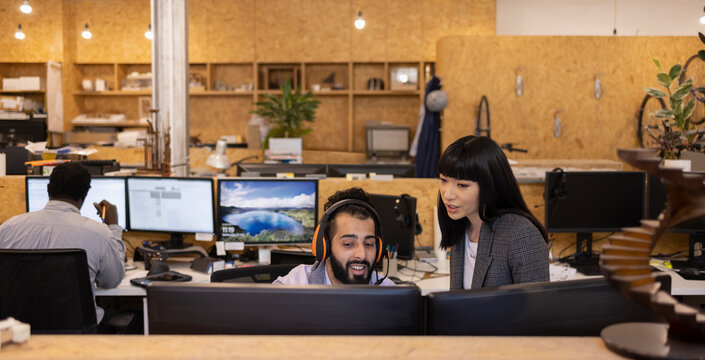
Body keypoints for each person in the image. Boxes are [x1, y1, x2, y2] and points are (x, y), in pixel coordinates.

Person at [0, 162, 126, 323]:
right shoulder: (99, 234)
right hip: (75, 331)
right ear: (84, 195)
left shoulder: (7, 228)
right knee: (135, 318)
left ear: (48, 190)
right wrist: (113, 227)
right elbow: (111, 281)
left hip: (19, 332)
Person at [437, 135, 549, 289]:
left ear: (490, 185)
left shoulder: (521, 234)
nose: (447, 194)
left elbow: (537, 310)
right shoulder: (462, 226)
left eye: (462, 185)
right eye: (443, 180)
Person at [273, 187, 395, 286]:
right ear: (324, 246)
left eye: (369, 244)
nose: (362, 255)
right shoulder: (295, 284)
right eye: (348, 244)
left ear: (379, 248)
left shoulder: (392, 296)